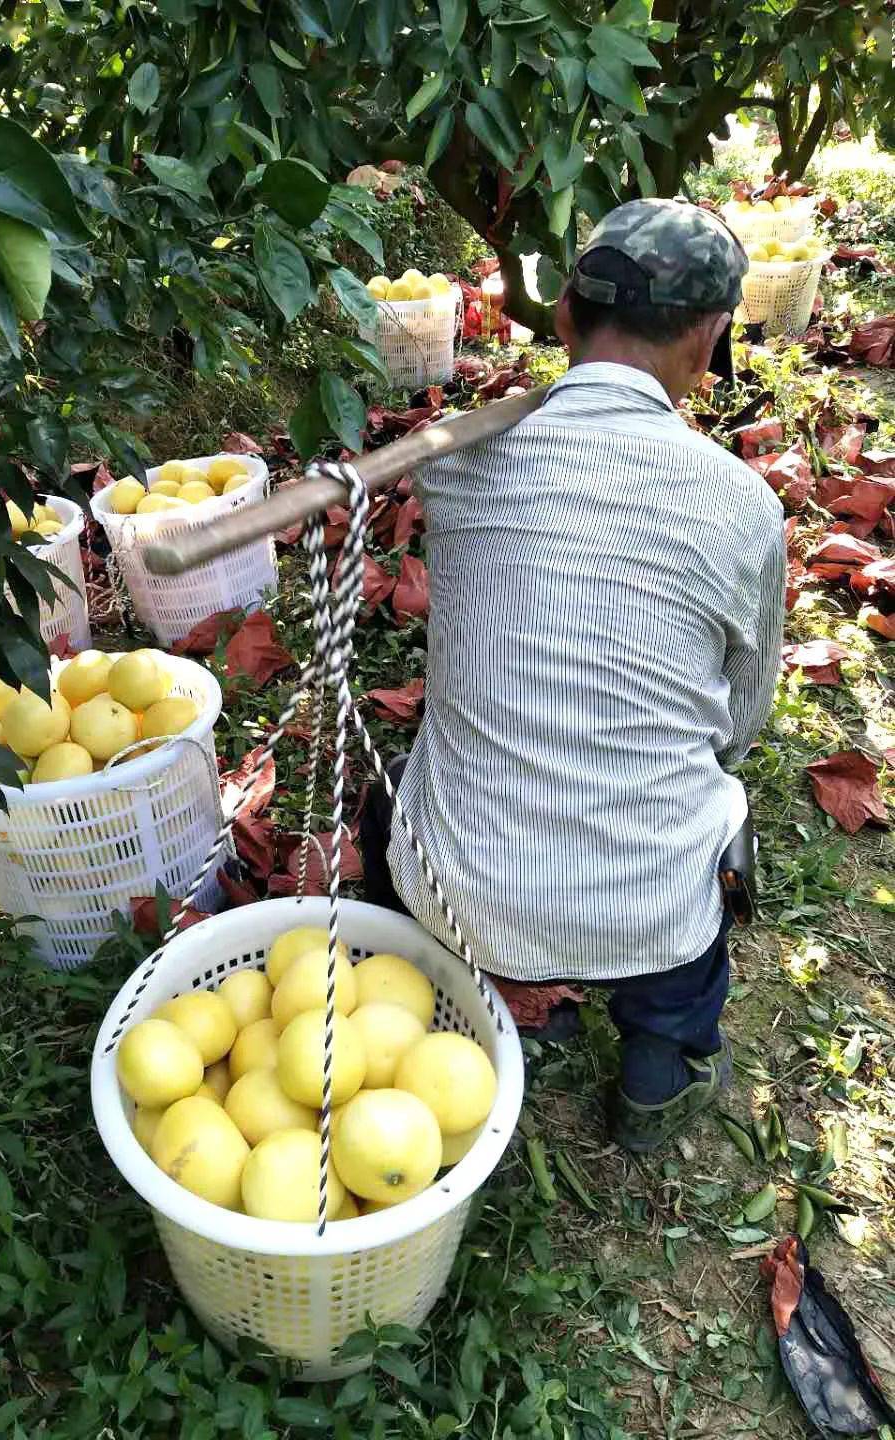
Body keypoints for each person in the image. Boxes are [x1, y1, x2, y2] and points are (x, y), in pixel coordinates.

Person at [361, 199, 786, 1152]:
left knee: (393, 797)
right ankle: (661, 1062)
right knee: (710, 818)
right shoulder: (742, 505)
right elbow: (739, 719)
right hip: (647, 912)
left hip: (462, 891)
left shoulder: (455, 466)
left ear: (562, 319)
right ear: (708, 339)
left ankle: (490, 986)